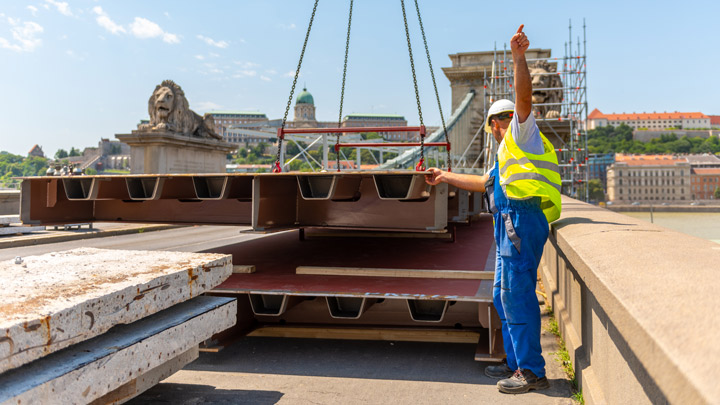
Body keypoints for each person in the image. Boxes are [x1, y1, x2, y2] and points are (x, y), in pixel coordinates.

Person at [425, 24, 561, 394]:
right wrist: (444, 176)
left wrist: (518, 58)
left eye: (492, 124)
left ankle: (532, 371)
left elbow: (523, 100)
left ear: (500, 121)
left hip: (522, 219)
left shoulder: (522, 132)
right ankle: (516, 362)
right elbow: (484, 183)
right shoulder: (504, 157)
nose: (492, 131)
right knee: (504, 294)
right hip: (507, 223)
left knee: (517, 296)